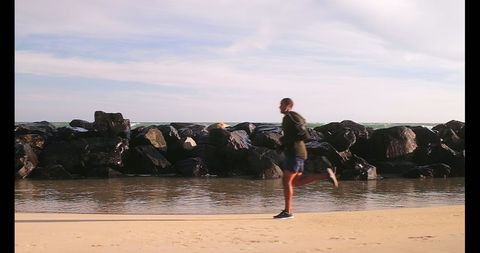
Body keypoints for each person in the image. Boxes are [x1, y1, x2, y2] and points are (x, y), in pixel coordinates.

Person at [273, 97, 338, 219]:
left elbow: (303, 134)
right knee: (295, 182)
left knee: (286, 182)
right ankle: (325, 175)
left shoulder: (290, 117)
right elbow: (294, 134)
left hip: (295, 153)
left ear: (287, 105)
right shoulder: (292, 117)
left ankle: (287, 212)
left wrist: (286, 141)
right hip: (298, 152)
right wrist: (283, 144)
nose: (279, 107)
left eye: (281, 105)